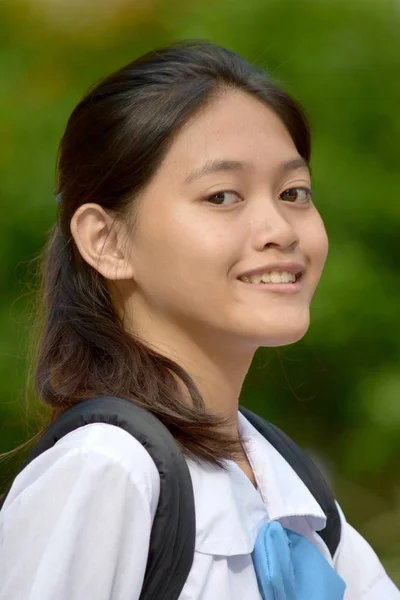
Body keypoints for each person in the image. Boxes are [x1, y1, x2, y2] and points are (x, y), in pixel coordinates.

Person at [0, 40, 398, 600]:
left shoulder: (292, 487)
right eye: (222, 196)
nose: (279, 229)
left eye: (293, 192)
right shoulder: (107, 471)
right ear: (106, 241)